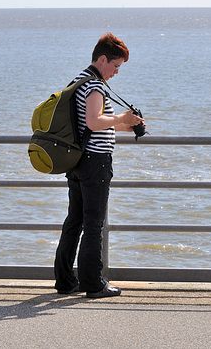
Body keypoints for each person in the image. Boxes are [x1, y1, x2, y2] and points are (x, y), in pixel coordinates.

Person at [54, 33, 144, 298]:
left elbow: (91, 124)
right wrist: (121, 117)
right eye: (115, 66)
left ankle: (65, 280)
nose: (116, 72)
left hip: (78, 159)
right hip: (95, 162)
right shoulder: (95, 86)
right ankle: (93, 283)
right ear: (102, 59)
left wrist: (127, 125)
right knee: (93, 224)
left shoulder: (78, 80)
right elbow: (94, 122)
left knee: (75, 220)